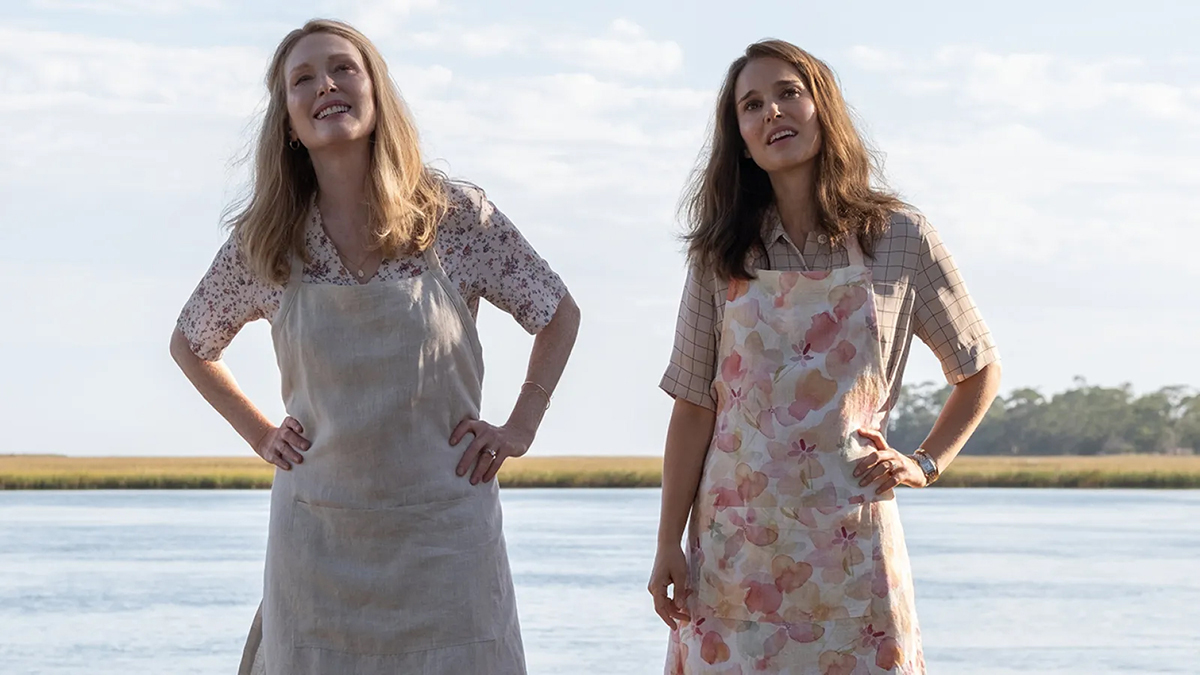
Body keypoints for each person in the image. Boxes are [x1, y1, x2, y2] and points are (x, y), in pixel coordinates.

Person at [169, 19, 579, 675]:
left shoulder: (455, 217)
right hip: (317, 549)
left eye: (343, 69)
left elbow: (556, 312)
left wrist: (521, 425)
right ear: (288, 124)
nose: (325, 86)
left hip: (448, 546)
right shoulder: (268, 240)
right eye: (303, 79)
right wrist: (260, 433)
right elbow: (192, 342)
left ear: (376, 92)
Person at [648, 39, 1001, 674]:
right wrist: (667, 542)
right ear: (742, 141)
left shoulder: (900, 237)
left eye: (789, 93)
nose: (772, 112)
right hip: (735, 554)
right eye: (752, 105)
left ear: (822, 108)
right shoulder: (719, 254)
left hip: (853, 545)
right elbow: (694, 406)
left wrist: (925, 463)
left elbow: (978, 368)